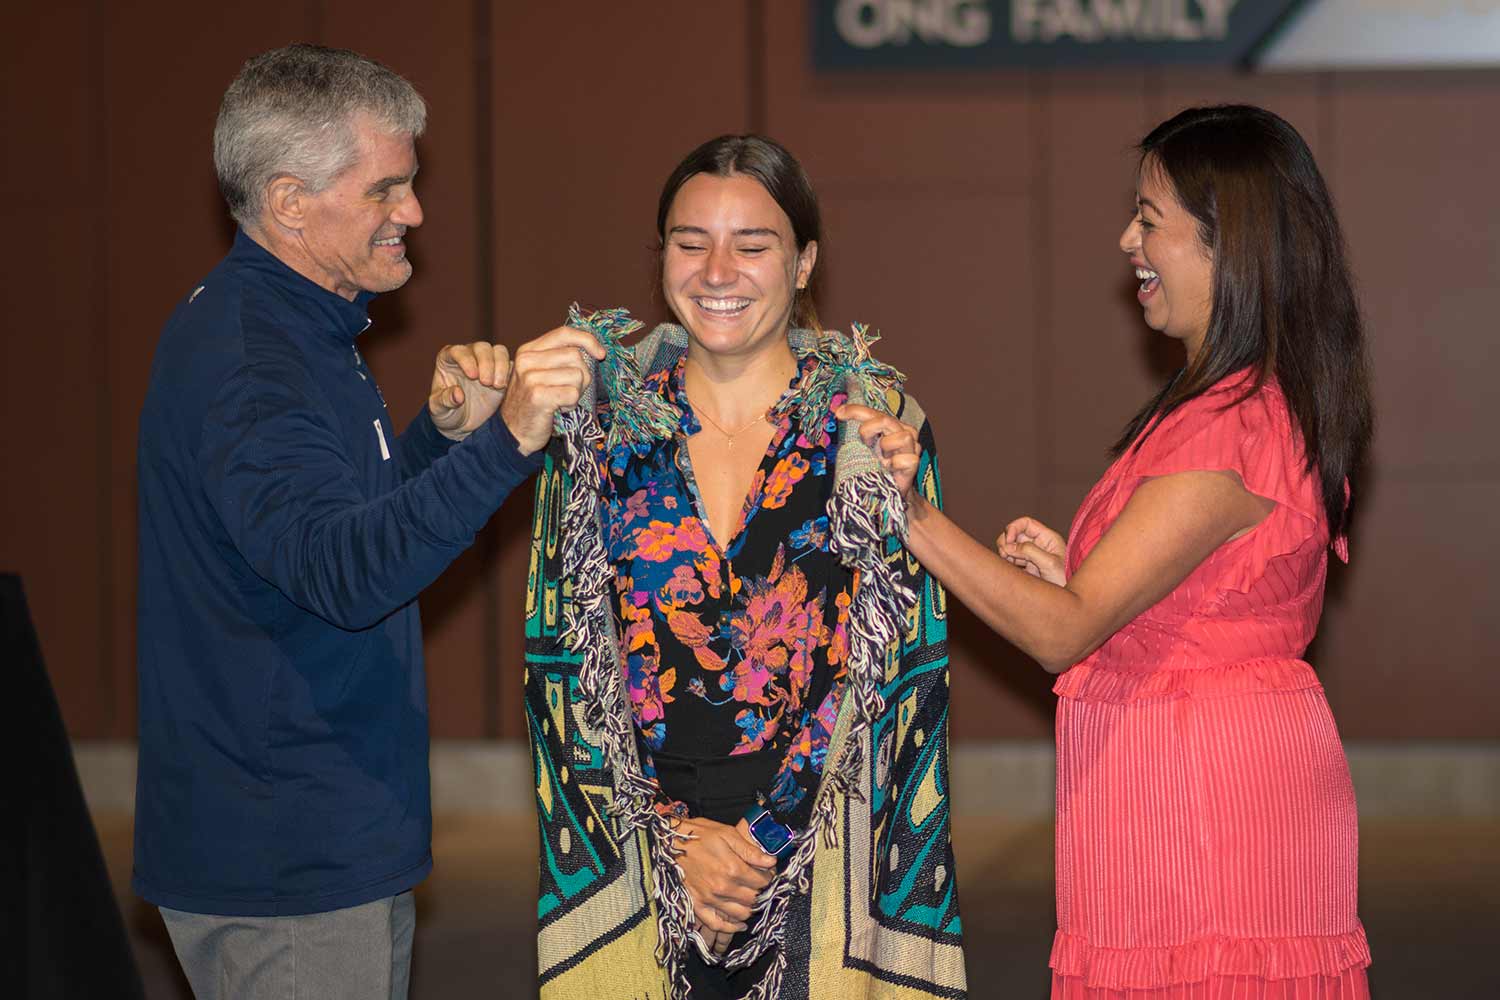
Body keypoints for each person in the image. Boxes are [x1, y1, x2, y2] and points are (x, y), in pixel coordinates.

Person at [846, 105, 1374, 999]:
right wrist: (1078, 577)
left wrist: (906, 514)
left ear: (1227, 245)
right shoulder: (1232, 405)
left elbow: (1063, 634)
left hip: (1207, 807)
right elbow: (1162, 604)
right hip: (1187, 782)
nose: (1126, 238)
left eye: (1150, 219)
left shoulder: (1231, 423)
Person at [133, 44, 603, 999]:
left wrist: (443, 439)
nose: (415, 213)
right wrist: (510, 439)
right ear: (290, 201)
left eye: (413, 183)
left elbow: (326, 533)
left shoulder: (296, 330)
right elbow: (347, 576)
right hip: (286, 859)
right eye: (387, 189)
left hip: (313, 834)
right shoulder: (251, 362)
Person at [523, 136, 967, 998]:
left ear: (804, 264)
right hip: (643, 846)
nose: (717, 270)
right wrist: (676, 838)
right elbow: (560, 662)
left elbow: (899, 669)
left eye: (753, 245)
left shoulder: (873, 428)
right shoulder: (598, 429)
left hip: (823, 844)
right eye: (691, 242)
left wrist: (765, 839)